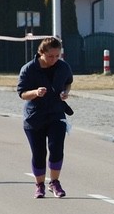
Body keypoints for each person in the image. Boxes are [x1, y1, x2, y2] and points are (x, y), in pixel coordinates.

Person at [17, 36, 74, 198]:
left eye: (57, 56)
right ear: (41, 53)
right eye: (50, 56)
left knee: (56, 148)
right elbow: (22, 93)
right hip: (34, 117)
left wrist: (65, 92)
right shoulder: (29, 69)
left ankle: (54, 182)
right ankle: (39, 185)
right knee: (39, 153)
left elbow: (68, 82)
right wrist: (35, 92)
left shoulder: (63, 67)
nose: (54, 60)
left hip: (56, 113)